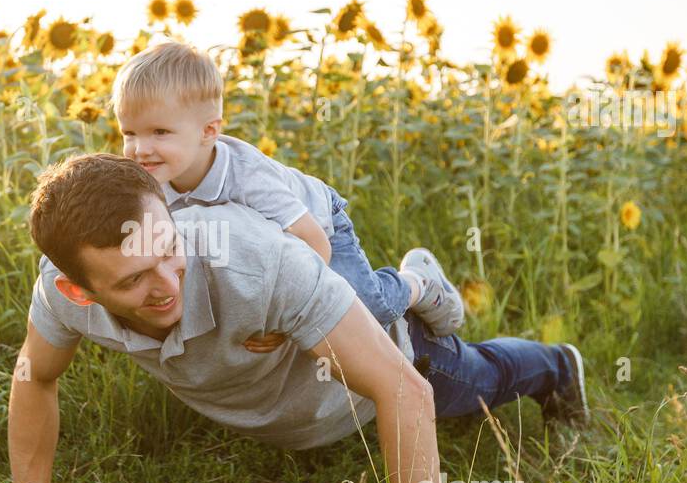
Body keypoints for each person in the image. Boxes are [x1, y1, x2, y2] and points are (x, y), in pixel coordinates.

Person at [0, 154, 589, 483]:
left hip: (388, 372)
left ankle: (558, 366)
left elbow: (403, 391)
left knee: (479, 374)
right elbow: (34, 377)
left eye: (169, 251)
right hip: (285, 405)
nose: (167, 284)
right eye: (132, 282)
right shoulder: (60, 293)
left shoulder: (255, 258)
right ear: (79, 290)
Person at [110, 40, 465, 362]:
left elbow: (313, 243)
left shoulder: (247, 177)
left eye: (160, 132)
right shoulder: (154, 181)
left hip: (320, 223)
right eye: (130, 133)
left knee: (367, 308)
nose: (141, 149)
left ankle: (418, 282)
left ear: (209, 132)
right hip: (271, 242)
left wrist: (288, 316)